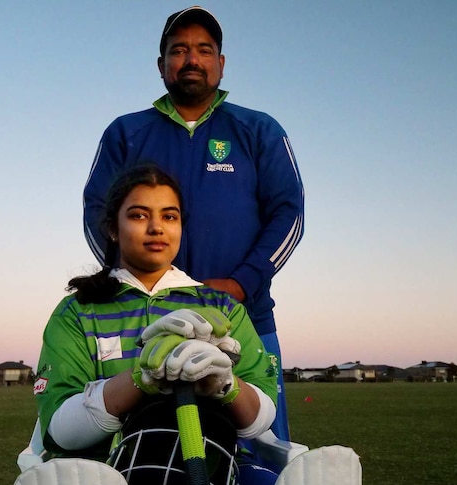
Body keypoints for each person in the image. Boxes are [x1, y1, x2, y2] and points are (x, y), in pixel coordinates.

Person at [83, 5, 304, 441]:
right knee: (144, 448)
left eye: (204, 49)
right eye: (178, 49)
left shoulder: (257, 130)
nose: (192, 59)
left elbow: (289, 214)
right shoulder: (126, 132)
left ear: (221, 64)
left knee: (261, 448)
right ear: (161, 64)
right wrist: (141, 287)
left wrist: (241, 284)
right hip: (143, 327)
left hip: (246, 319)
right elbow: (97, 212)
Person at [35, 164, 279, 484]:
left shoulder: (221, 307)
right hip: (107, 473)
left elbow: (259, 421)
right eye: (138, 215)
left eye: (169, 216)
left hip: (216, 465)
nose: (156, 228)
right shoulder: (77, 311)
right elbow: (60, 431)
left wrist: (224, 384)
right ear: (112, 228)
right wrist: (142, 378)